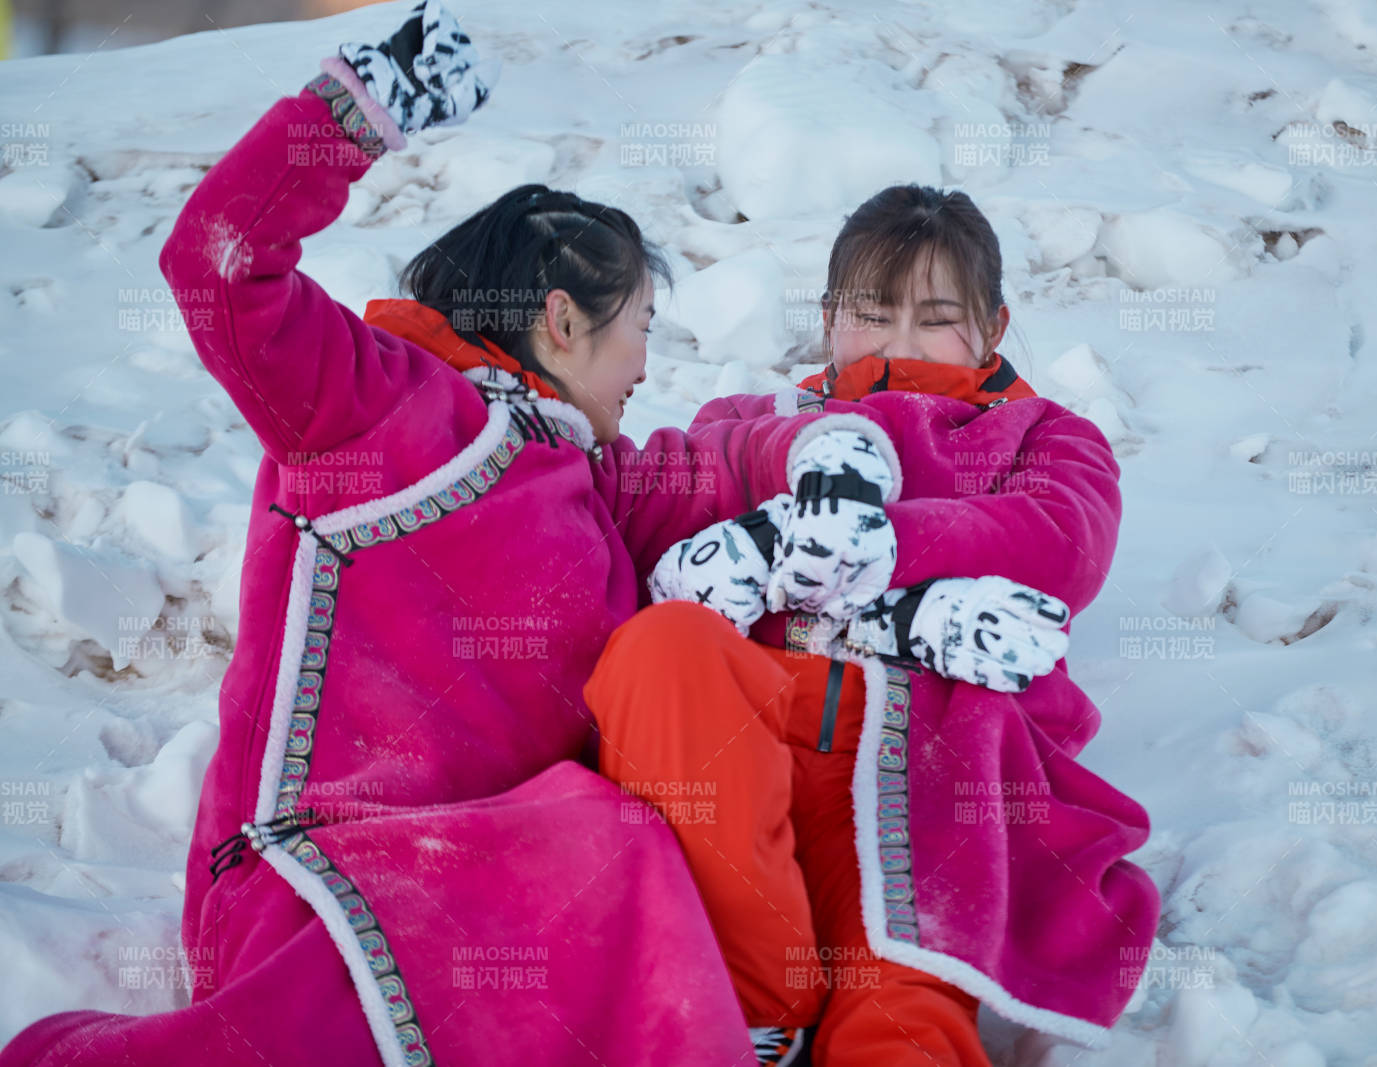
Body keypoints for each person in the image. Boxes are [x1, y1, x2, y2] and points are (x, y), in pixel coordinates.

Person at [0, 5, 918, 1064]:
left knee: (612, 826)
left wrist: (836, 446)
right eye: (642, 332)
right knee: (606, 837)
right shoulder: (370, 404)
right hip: (329, 897)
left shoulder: (586, 479)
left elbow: (713, 463)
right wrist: (348, 118)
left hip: (504, 884)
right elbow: (215, 269)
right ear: (565, 320)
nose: (648, 368)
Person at [587, 185, 1161, 1065]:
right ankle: (743, 1003)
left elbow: (1060, 545)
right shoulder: (750, 424)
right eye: (871, 314)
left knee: (899, 1016)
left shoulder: (1040, 437)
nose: (898, 343)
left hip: (929, 777)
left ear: (993, 326)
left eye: (935, 318)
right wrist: (776, 522)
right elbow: (647, 513)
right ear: (828, 319)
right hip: (745, 762)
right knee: (661, 647)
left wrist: (862, 543)